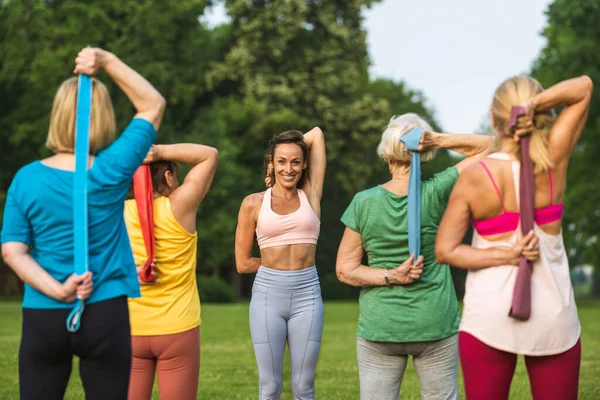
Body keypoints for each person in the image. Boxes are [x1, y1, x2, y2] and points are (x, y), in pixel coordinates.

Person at [0, 47, 165, 400]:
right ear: (102, 117)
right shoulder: (112, 168)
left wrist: (58, 290)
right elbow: (152, 104)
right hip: (105, 311)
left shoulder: (26, 179)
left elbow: (13, 251)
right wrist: (107, 62)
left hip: (44, 313)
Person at [435, 75, 592, 400]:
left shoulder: (476, 176)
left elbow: (446, 250)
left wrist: (503, 255)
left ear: (495, 120)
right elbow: (584, 87)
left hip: (488, 319)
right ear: (538, 115)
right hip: (554, 318)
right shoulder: (553, 160)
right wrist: (533, 105)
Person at [335, 113, 497, 400]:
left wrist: (389, 276)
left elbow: (345, 270)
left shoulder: (363, 202)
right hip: (434, 323)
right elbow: (492, 145)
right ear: (425, 156)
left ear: (386, 155)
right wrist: (437, 140)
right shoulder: (437, 190)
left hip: (381, 327)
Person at [235, 127, 326, 400]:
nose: (289, 168)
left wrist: (290, 140)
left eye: (296, 161)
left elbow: (317, 135)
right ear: (271, 164)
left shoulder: (311, 195)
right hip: (267, 296)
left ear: (305, 164)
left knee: (304, 387)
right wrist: (274, 265)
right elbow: (242, 263)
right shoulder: (253, 203)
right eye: (281, 161)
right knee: (270, 387)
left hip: (307, 295)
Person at [124, 142, 218, 400]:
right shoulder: (180, 206)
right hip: (178, 328)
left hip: (131, 328)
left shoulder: (117, 211)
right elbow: (209, 155)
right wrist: (158, 152)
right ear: (167, 177)